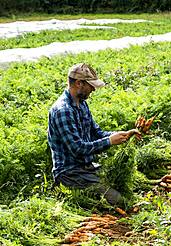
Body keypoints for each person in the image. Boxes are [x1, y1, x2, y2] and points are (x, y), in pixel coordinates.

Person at [47, 63, 140, 205]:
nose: (93, 90)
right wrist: (109, 141)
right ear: (79, 83)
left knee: (126, 183)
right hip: (70, 173)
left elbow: (96, 133)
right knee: (120, 201)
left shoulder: (82, 104)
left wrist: (121, 135)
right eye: (91, 85)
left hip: (87, 168)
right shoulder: (63, 110)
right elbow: (78, 149)